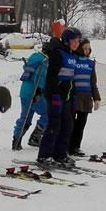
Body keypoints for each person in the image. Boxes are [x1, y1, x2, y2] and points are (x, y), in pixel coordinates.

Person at [36, 27, 82, 167]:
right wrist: (55, 96)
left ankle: (60, 154)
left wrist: (74, 97)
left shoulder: (73, 56)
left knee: (67, 126)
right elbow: (51, 78)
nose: (76, 44)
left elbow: (72, 79)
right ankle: (44, 156)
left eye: (78, 41)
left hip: (66, 97)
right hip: (55, 95)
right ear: (67, 41)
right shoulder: (58, 54)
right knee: (54, 125)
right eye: (73, 41)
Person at [68, 39, 101, 156]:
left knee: (81, 124)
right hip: (74, 96)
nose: (87, 51)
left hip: (86, 98)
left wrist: (96, 98)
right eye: (84, 48)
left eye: (88, 49)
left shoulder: (90, 64)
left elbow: (93, 83)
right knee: (70, 122)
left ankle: (76, 146)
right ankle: (67, 146)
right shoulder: (73, 61)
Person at [12, 46, 48, 151]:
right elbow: (40, 76)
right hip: (34, 92)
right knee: (48, 113)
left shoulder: (34, 58)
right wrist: (39, 91)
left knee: (25, 117)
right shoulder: (44, 61)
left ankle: (16, 140)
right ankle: (35, 136)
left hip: (25, 92)